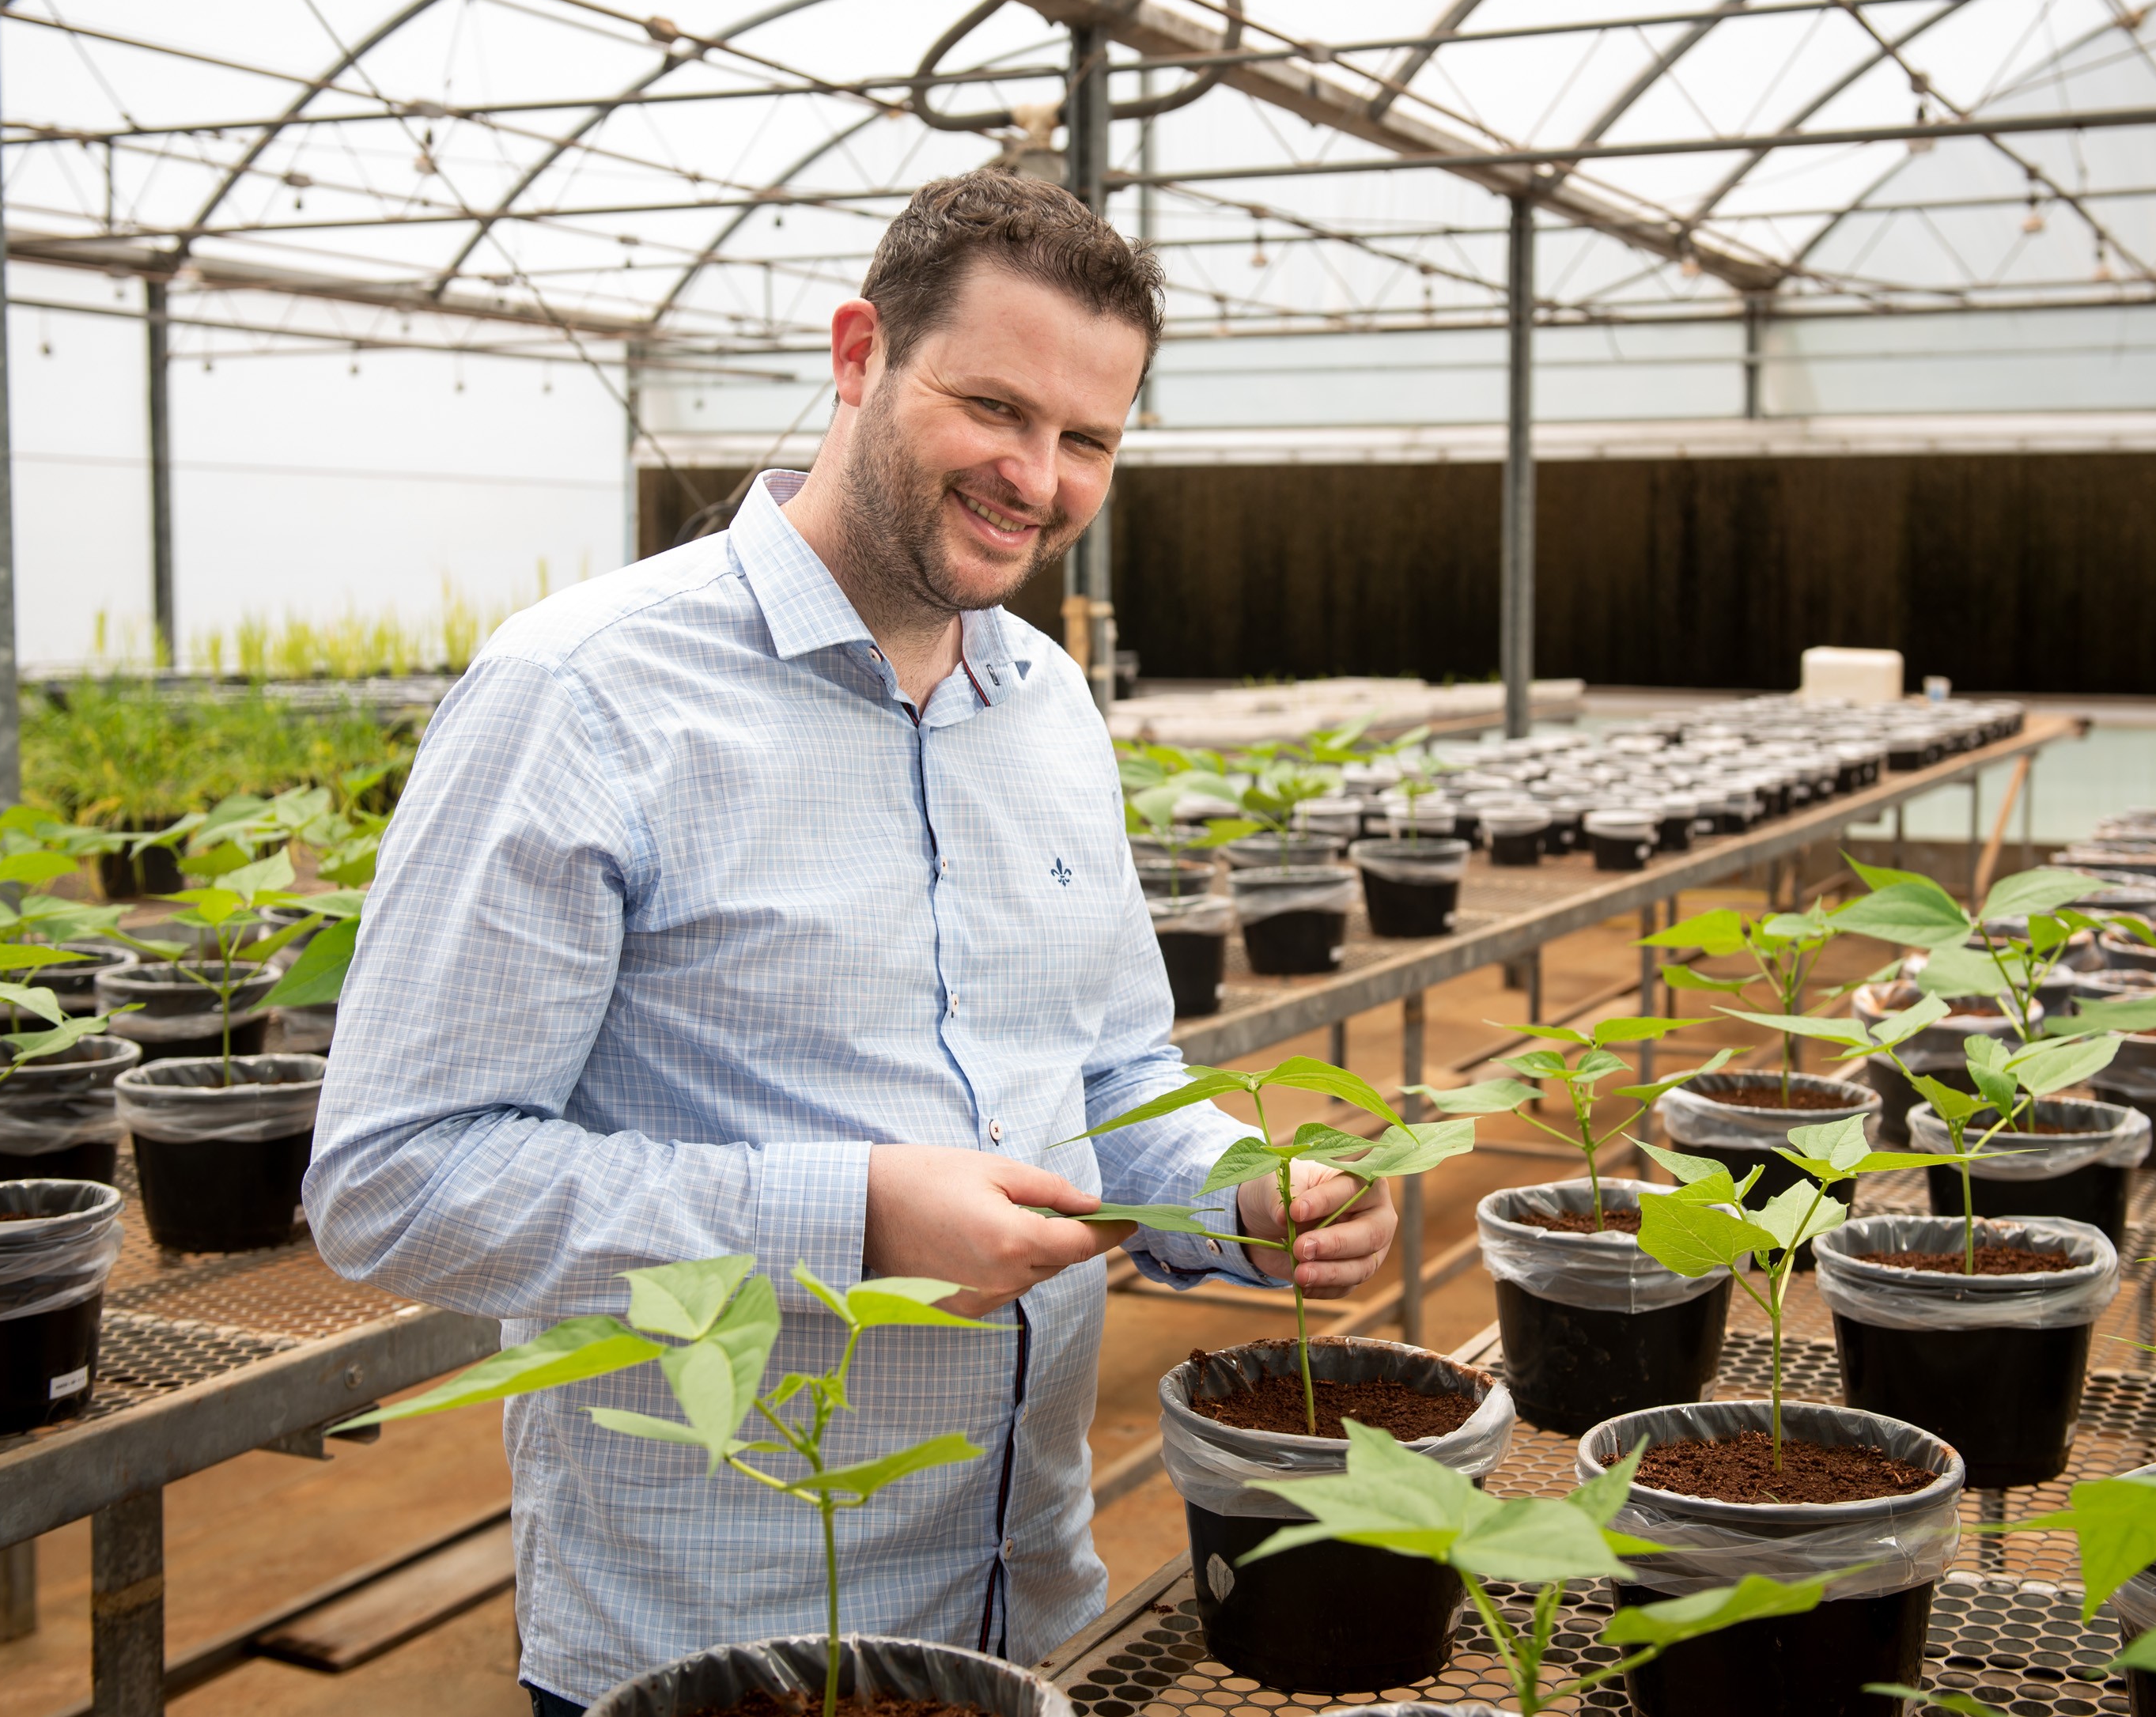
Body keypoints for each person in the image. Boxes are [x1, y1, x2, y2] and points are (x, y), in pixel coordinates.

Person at [303, 170, 1399, 1715]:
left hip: (1024, 1604)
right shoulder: (589, 693)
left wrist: (1235, 1195)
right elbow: (393, 1181)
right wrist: (857, 1214)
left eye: (1088, 438)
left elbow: (1110, 1066)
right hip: (724, 1643)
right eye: (995, 407)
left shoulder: (1048, 706)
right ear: (858, 353)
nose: (1039, 476)